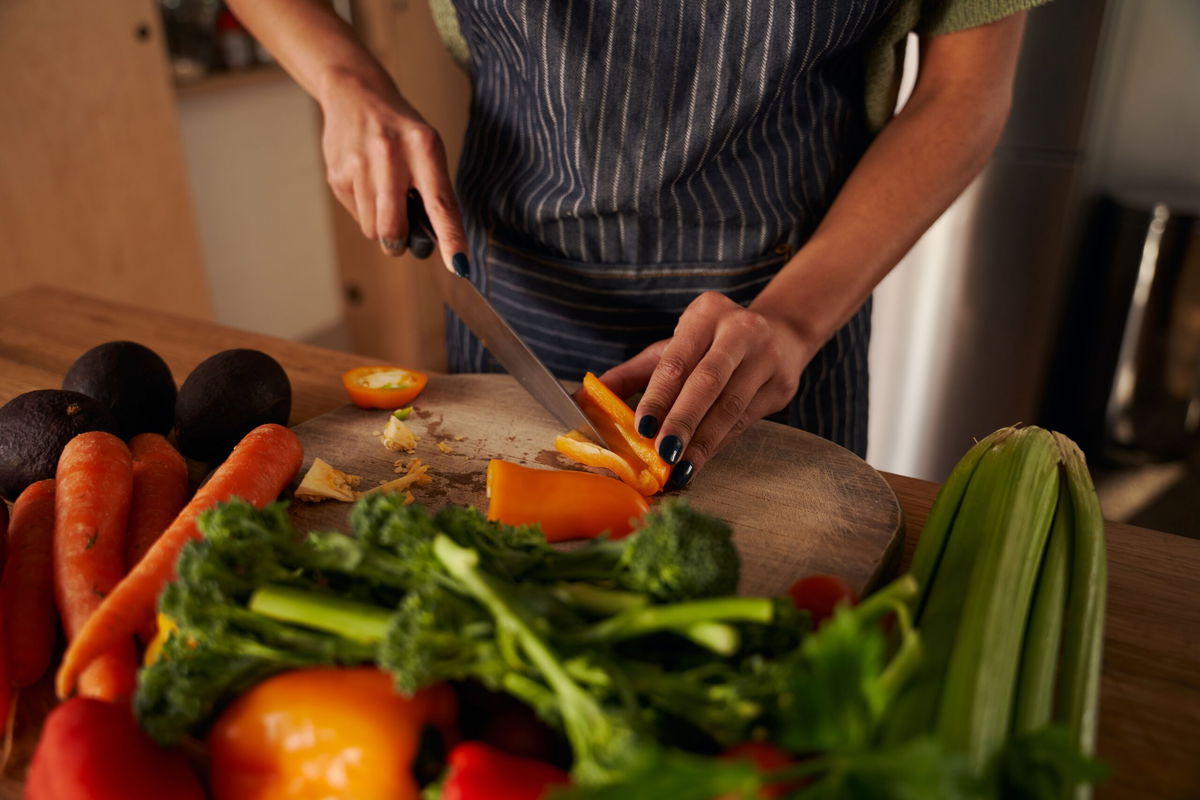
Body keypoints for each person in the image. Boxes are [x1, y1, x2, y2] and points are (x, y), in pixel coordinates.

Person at [228, 0, 1039, 489]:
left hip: (785, 313)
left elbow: (963, 93)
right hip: (517, 285)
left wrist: (793, 317)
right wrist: (343, 80)